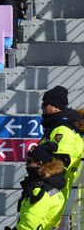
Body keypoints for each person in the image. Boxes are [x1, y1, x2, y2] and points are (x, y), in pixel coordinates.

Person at [39, 85, 84, 215]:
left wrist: (41, 173)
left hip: (57, 189)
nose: (42, 107)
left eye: (45, 104)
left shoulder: (62, 129)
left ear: (55, 107)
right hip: (57, 188)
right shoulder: (58, 127)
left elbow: (62, 162)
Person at [6, 142, 67, 230]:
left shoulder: (41, 190)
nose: (27, 165)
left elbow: (30, 224)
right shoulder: (52, 184)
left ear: (39, 163)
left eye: (29, 161)